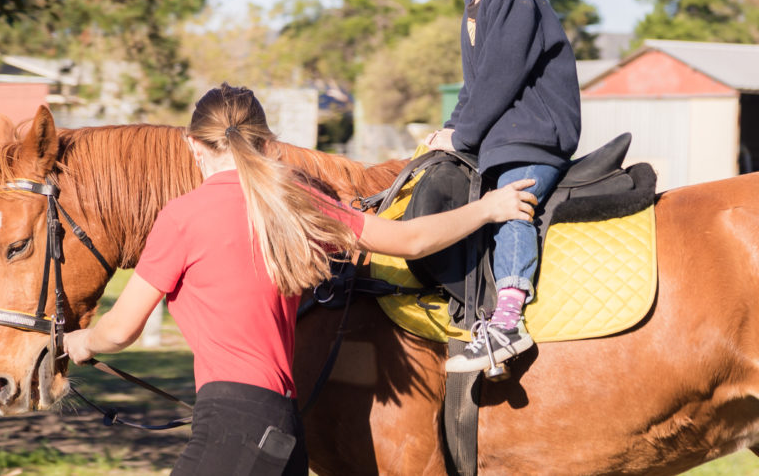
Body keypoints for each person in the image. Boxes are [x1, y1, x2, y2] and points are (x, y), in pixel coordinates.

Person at [64, 83, 537, 476]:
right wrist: (488, 208)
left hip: (232, 425)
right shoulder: (294, 202)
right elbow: (410, 240)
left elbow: (121, 330)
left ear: (192, 143)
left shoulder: (181, 216)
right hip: (287, 428)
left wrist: (82, 342)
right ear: (264, 141)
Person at [425, 0, 581, 374]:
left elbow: (500, 80)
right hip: (500, 137)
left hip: (531, 140)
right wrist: (448, 134)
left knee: (513, 202)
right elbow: (475, 89)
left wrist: (463, 135)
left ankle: (510, 318)